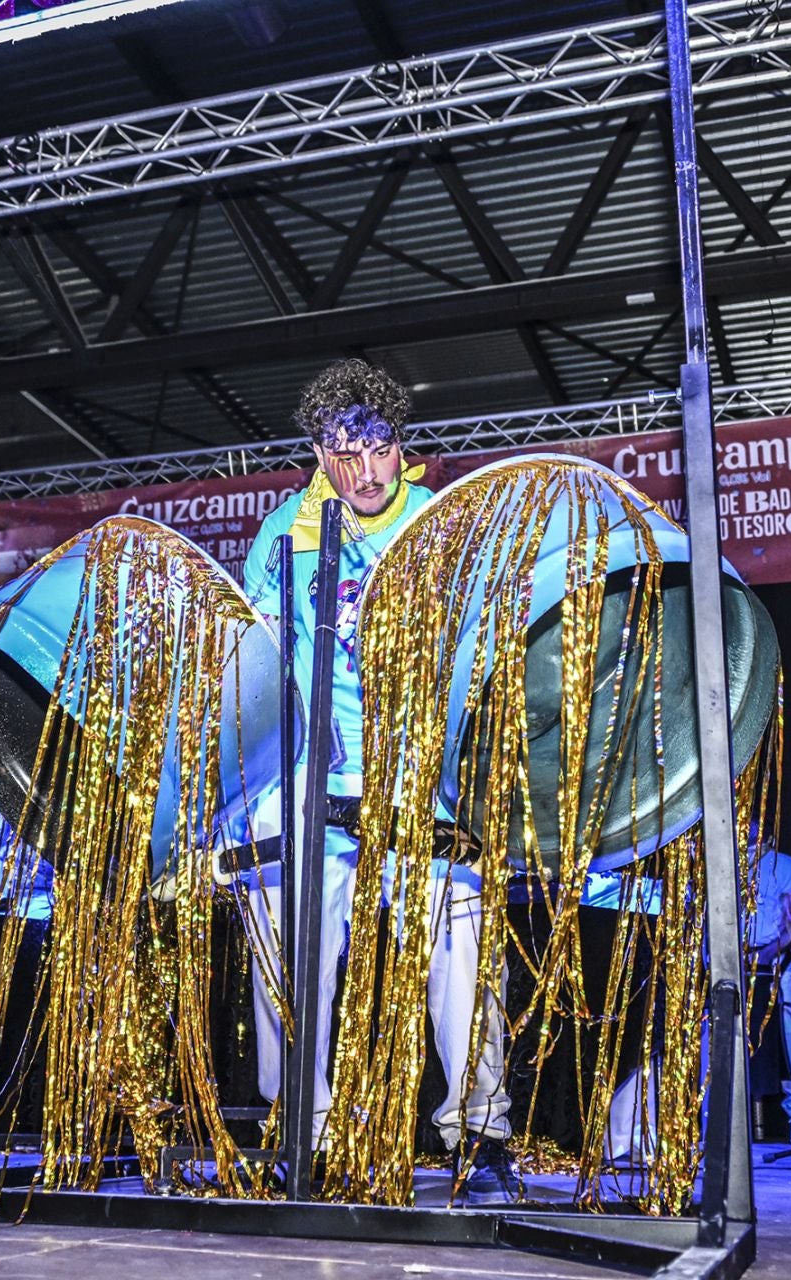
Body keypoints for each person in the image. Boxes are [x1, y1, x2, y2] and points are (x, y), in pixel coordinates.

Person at [236, 358, 515, 1201]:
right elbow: (253, 663)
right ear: (319, 454)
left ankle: (481, 1133)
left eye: (378, 449)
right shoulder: (286, 532)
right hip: (312, 771)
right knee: (277, 916)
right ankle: (302, 1131)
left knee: (459, 927)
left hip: (419, 775)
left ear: (403, 446)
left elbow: (491, 649)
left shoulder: (445, 523)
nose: (362, 471)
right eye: (340, 453)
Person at [745, 839, 791, 1146]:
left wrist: (768, 954)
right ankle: (712, 1117)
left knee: (788, 1037)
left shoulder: (782, 865)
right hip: (728, 962)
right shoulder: (720, 857)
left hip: (773, 963)